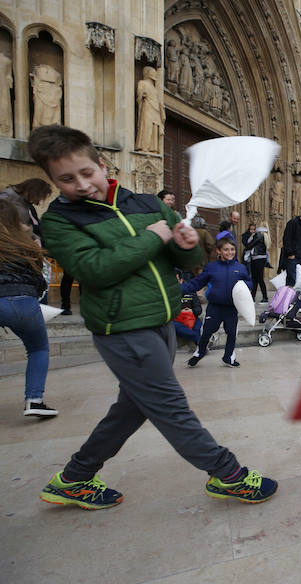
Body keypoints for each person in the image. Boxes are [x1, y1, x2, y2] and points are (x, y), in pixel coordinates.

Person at [29, 124, 276, 509]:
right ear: (53, 180)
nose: (81, 184)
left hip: (162, 320)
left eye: (86, 172)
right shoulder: (59, 221)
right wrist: (154, 237)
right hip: (123, 330)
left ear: (100, 162)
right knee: (169, 406)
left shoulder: (144, 203)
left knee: (134, 406)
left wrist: (188, 245)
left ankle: (73, 479)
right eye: (66, 179)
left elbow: (186, 261)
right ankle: (227, 474)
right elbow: (94, 269)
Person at [0, 198, 57, 417]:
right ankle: (34, 400)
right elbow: (41, 280)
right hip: (24, 302)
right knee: (38, 349)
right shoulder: (27, 242)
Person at [183, 238, 251, 368]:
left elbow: (250, 283)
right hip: (215, 307)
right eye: (226, 249)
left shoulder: (240, 268)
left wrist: (245, 284)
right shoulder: (211, 267)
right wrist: (180, 290)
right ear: (218, 251)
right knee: (207, 331)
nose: (230, 252)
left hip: (231, 308)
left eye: (232, 249)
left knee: (232, 333)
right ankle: (199, 352)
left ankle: (228, 357)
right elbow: (197, 283)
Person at [172, 269, 203, 347]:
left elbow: (199, 309)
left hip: (191, 317)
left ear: (181, 280)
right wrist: (180, 311)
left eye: (176, 280)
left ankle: (199, 345)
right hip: (175, 319)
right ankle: (200, 341)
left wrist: (191, 311)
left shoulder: (190, 291)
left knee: (198, 326)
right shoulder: (167, 293)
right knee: (174, 325)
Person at [245, 222, 271, 303]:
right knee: (258, 279)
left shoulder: (259, 235)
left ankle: (263, 297)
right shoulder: (265, 235)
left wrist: (252, 236)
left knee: (256, 279)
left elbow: (249, 245)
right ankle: (257, 297)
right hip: (261, 258)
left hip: (256, 258)